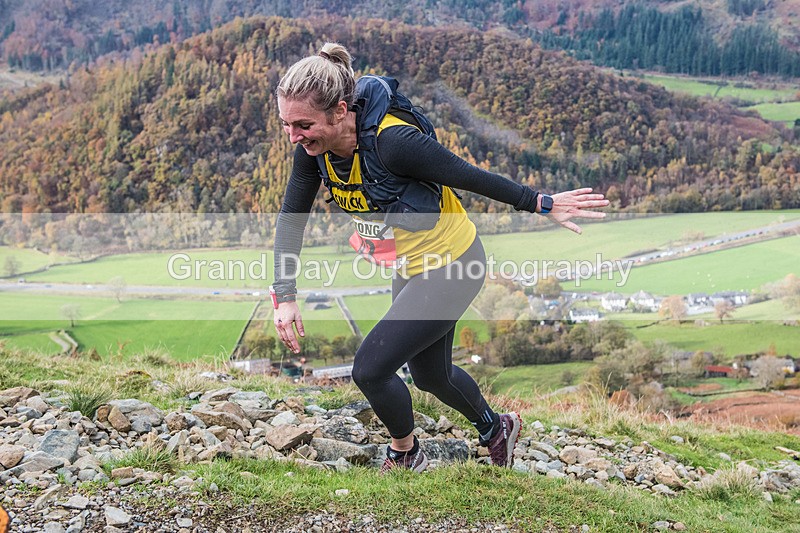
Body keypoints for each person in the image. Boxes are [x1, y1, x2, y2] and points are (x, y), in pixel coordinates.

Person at [272, 42, 609, 473]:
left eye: (303, 124)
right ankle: (496, 428)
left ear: (339, 111)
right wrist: (285, 294)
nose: (294, 137)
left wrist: (541, 202)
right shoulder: (312, 154)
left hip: (454, 263)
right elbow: (291, 219)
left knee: (371, 369)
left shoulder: (394, 142)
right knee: (431, 375)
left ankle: (405, 453)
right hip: (410, 265)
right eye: (286, 124)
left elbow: (468, 175)